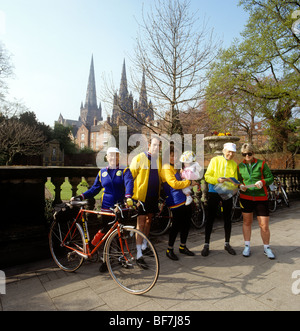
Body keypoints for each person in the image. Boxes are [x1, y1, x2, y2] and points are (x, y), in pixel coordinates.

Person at [71, 146, 134, 271]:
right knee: (106, 233)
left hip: (120, 207)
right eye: (110, 155)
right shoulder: (102, 173)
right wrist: (81, 196)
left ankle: (121, 257)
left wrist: (128, 197)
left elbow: (129, 182)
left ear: (118, 157)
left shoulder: (125, 170)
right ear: (107, 157)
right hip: (106, 207)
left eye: (115, 155)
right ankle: (106, 260)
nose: (113, 158)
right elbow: (94, 189)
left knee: (120, 234)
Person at [238, 143, 275, 259]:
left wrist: (262, 182)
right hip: (246, 198)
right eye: (244, 154)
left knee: (264, 225)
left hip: (261, 197)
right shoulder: (240, 166)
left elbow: (270, 178)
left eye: (249, 154)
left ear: (253, 153)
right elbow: (238, 181)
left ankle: (267, 247)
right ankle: (247, 246)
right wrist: (240, 186)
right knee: (247, 222)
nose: (247, 156)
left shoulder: (261, 164)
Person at [161, 145, 198, 261]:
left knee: (186, 223)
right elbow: (174, 184)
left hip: (183, 198)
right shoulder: (166, 168)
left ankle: (183, 246)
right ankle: (169, 249)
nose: (174, 157)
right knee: (176, 225)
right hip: (174, 199)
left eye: (176, 155)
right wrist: (189, 183)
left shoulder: (176, 166)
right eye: (172, 155)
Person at [202, 142, 238, 257]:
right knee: (210, 218)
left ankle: (227, 243)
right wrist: (217, 180)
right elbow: (207, 176)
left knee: (228, 218)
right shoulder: (215, 160)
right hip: (214, 191)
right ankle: (206, 244)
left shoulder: (234, 164)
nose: (231, 154)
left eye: (233, 152)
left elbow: (235, 180)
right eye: (229, 151)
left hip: (227, 192)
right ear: (223, 150)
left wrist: (235, 186)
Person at [129, 136, 162, 264]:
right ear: (149, 145)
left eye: (158, 146)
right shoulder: (139, 158)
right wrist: (131, 196)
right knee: (141, 223)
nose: (156, 148)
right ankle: (138, 253)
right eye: (154, 145)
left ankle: (144, 245)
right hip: (141, 197)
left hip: (153, 197)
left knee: (149, 222)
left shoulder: (158, 160)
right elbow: (129, 176)